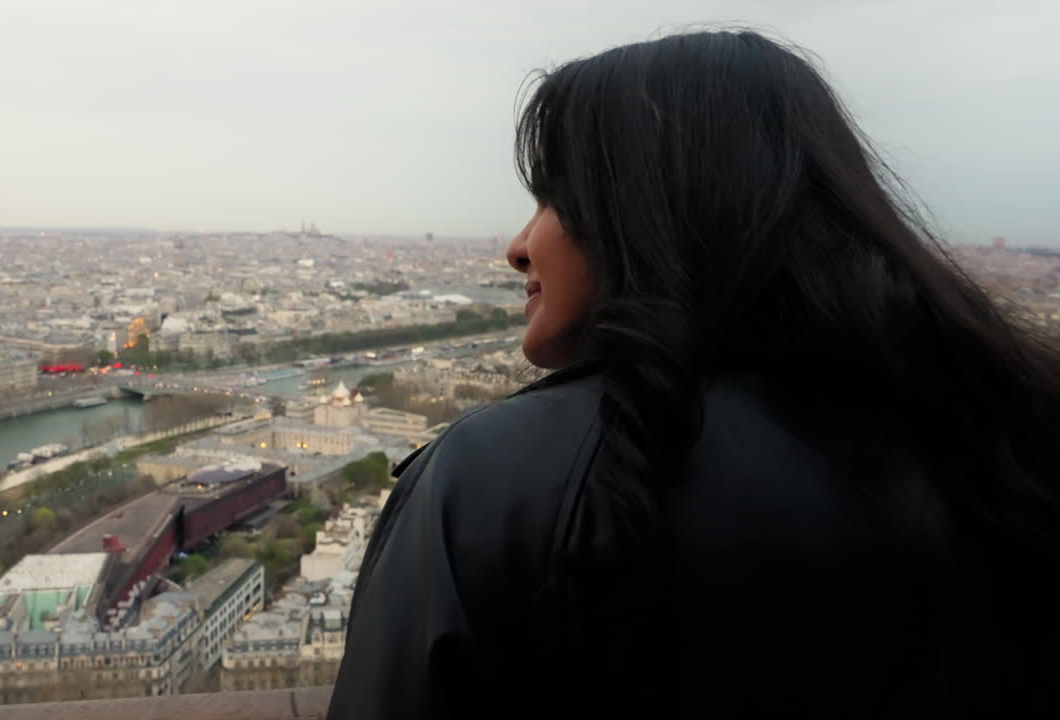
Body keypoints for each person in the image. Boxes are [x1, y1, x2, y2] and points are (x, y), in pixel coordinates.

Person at [328, 30, 1058, 718]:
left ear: (644, 213)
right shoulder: (1001, 436)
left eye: (553, 197)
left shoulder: (497, 480)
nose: (519, 247)